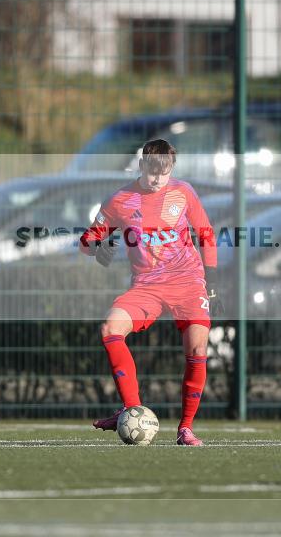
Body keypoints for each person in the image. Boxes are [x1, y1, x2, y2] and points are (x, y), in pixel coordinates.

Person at [79, 139, 222, 446]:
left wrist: (211, 279)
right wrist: (98, 248)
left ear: (171, 169)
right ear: (141, 165)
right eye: (152, 170)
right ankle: (131, 408)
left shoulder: (183, 193)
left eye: (165, 172)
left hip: (188, 282)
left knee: (197, 350)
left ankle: (185, 429)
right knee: (110, 329)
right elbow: (87, 240)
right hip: (147, 286)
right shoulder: (121, 200)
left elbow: (206, 233)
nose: (158, 178)